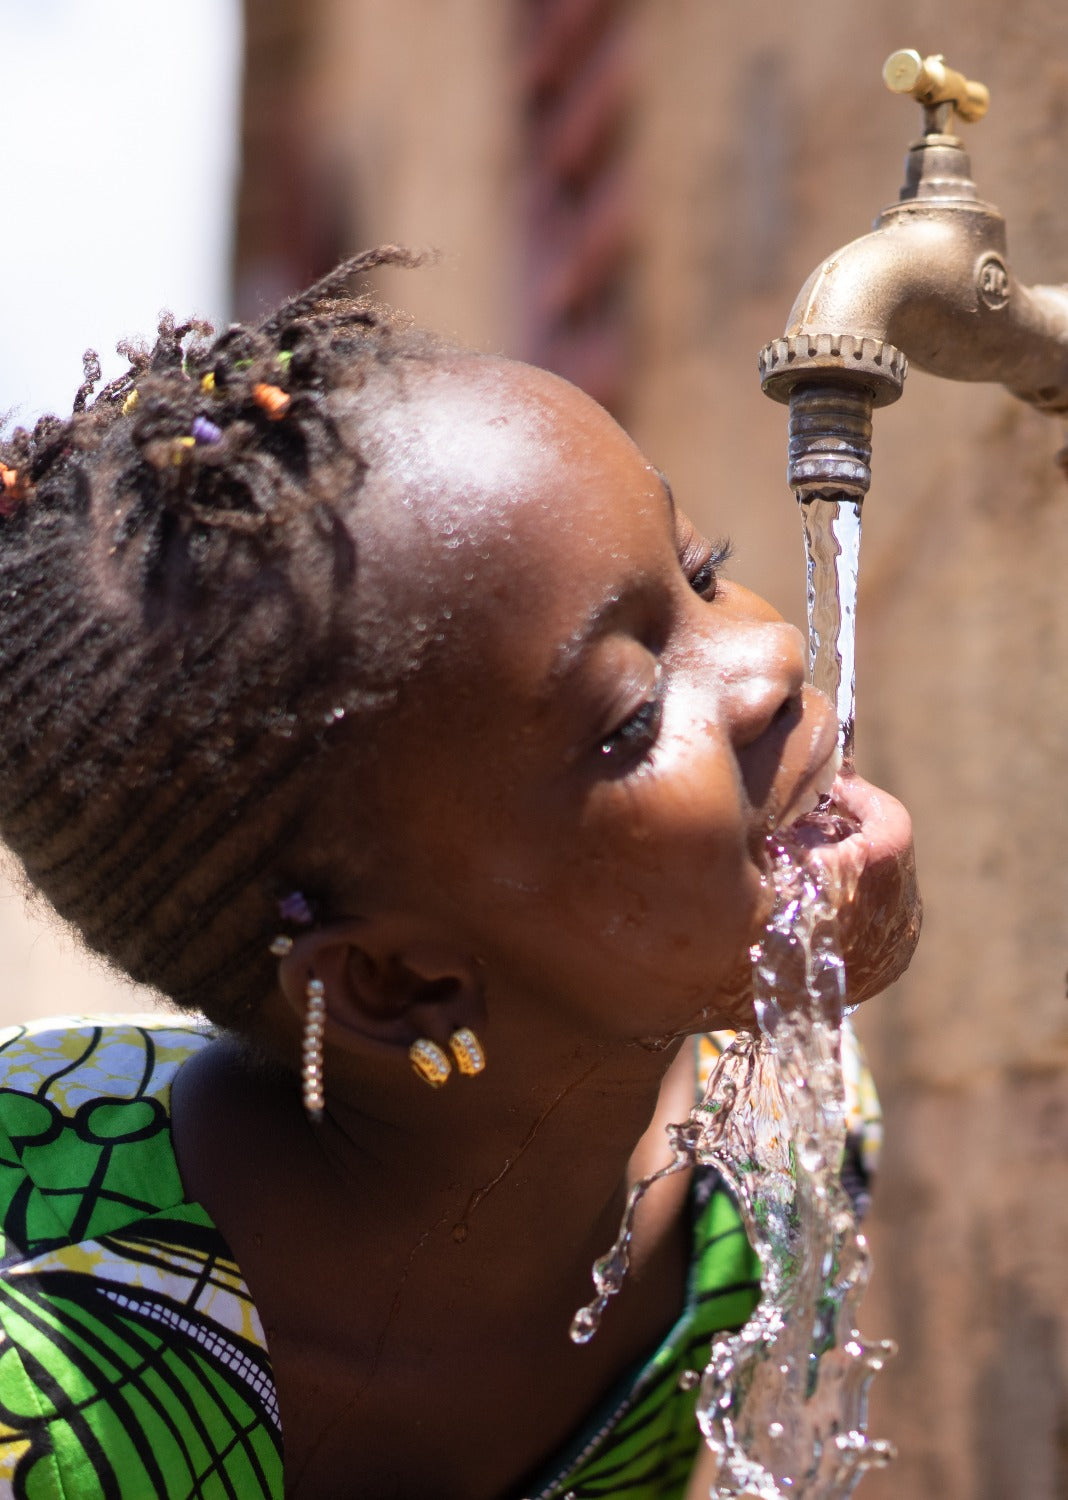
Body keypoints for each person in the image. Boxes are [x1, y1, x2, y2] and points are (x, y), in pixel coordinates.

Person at [0, 249, 919, 1500]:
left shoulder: (778, 1164)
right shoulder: (53, 1401)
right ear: (398, 983)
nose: (768, 653)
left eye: (699, 572)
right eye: (633, 714)